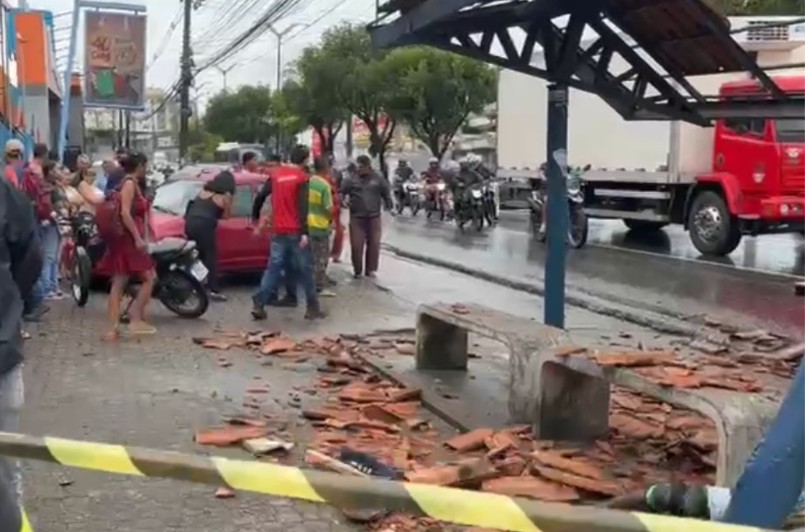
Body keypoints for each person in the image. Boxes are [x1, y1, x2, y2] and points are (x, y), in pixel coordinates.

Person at [0, 172, 43, 505]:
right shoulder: (10, 198)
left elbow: (29, 262)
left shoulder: (10, 199)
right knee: (5, 465)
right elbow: (29, 263)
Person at [250, 144, 325, 321]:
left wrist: (255, 217)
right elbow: (302, 206)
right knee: (305, 270)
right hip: (296, 231)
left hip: (278, 230)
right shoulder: (301, 178)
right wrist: (306, 232)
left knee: (273, 268)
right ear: (306, 159)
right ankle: (312, 307)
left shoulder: (276, 175)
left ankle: (259, 302)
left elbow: (261, 196)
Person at [98, 152, 157, 340]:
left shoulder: (128, 183)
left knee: (119, 281)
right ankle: (134, 317)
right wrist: (138, 238)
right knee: (148, 277)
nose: (146, 169)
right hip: (128, 240)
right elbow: (125, 213)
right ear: (140, 165)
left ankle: (115, 327)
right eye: (145, 165)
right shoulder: (130, 184)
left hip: (125, 238)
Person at [184, 171, 234, 302]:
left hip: (190, 223)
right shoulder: (224, 196)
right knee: (210, 256)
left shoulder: (203, 191)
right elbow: (226, 216)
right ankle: (213, 290)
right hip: (205, 226)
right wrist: (229, 202)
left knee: (198, 256)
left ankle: (195, 286)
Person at [341, 155, 393, 278]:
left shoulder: (378, 178)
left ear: (368, 166)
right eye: (358, 167)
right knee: (357, 245)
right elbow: (341, 192)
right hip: (357, 218)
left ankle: (370, 269)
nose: (359, 170)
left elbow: (386, 193)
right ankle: (358, 270)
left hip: (373, 217)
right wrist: (343, 201)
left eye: (361, 167)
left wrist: (388, 204)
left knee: (374, 244)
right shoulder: (351, 179)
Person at [308, 157, 335, 296]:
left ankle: (311, 283)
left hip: (308, 225)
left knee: (312, 257)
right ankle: (319, 287)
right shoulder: (324, 185)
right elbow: (329, 208)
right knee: (322, 257)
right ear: (325, 168)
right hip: (321, 225)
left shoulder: (308, 182)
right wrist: (332, 221)